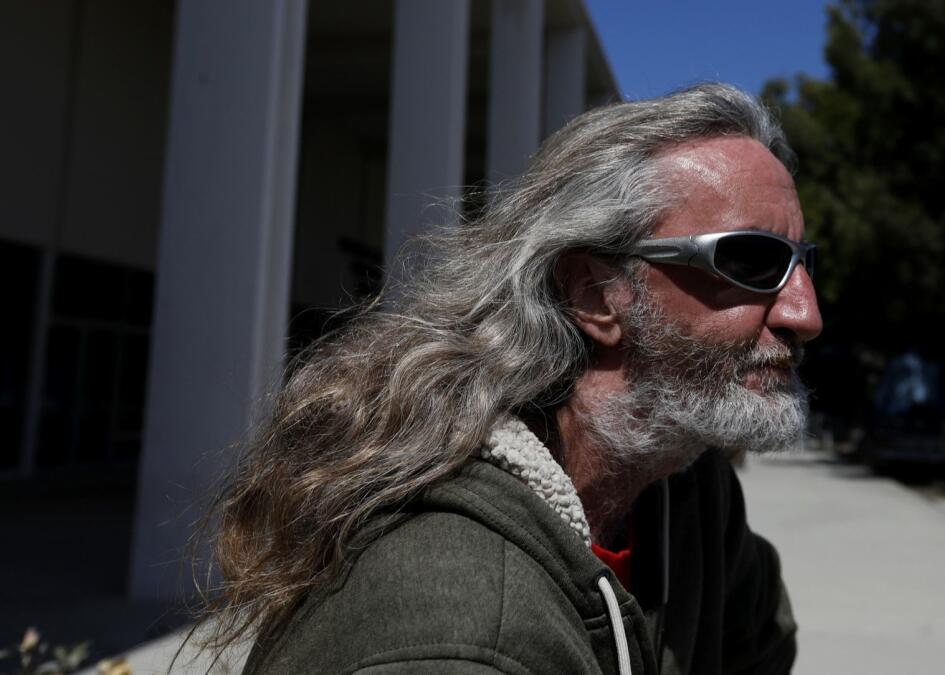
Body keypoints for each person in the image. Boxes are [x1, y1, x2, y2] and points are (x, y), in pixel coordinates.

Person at [203, 83, 822, 675]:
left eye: (801, 263)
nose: (805, 313)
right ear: (596, 294)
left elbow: (759, 646)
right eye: (750, 260)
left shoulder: (685, 488)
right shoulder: (455, 634)